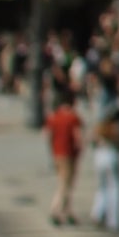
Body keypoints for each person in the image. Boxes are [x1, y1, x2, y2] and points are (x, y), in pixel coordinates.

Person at [90, 88, 119, 232]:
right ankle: (114, 220)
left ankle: (98, 212)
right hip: (112, 153)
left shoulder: (101, 121)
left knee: (102, 186)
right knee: (116, 187)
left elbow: (93, 140)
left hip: (100, 154)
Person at [45, 90, 84, 226]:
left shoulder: (53, 117)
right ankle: (54, 210)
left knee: (65, 184)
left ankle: (68, 212)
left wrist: (53, 147)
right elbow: (78, 138)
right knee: (65, 185)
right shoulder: (73, 118)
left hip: (57, 154)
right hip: (69, 155)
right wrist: (80, 150)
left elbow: (47, 134)